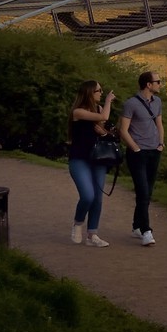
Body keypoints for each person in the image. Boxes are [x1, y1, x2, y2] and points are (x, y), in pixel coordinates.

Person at [118, 71, 166, 246]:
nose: (160, 84)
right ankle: (146, 231)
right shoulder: (131, 104)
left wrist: (160, 144)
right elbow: (123, 130)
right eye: (158, 81)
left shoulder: (158, 102)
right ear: (148, 84)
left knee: (147, 192)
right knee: (143, 191)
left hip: (154, 151)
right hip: (137, 154)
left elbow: (159, 124)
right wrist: (136, 148)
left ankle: (136, 227)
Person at [68, 79, 117, 247]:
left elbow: (102, 131)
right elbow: (104, 117)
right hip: (79, 159)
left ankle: (92, 235)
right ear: (89, 93)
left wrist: (103, 132)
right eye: (99, 91)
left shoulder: (99, 109)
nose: (101, 93)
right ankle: (77, 223)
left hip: (97, 159)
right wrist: (109, 100)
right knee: (87, 195)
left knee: (97, 198)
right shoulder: (78, 112)